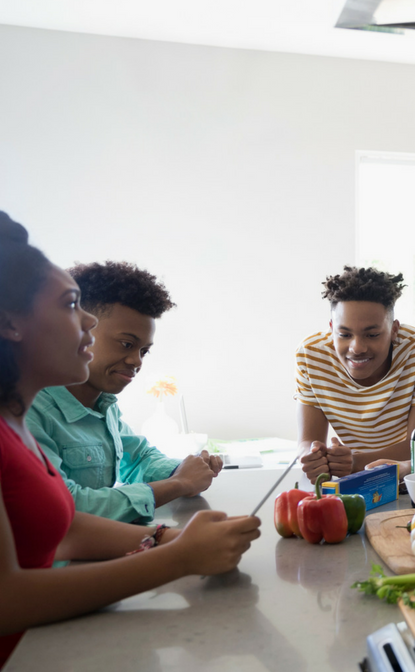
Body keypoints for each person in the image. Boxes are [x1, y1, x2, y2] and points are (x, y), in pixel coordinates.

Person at [0, 212, 260, 666]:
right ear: (10, 324)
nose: (86, 322)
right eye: (69, 305)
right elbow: (7, 599)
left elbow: (66, 527)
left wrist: (166, 536)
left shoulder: (15, 423)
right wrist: (178, 559)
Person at [27, 262, 222, 523]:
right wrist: (177, 484)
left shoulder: (103, 405)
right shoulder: (29, 410)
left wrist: (184, 469)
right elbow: (67, 507)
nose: (137, 361)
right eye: (126, 344)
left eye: (144, 351)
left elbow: (138, 456)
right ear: (77, 330)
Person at [296, 266, 415, 482]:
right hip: (349, 481)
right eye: (344, 334)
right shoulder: (311, 355)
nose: (357, 347)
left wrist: (355, 463)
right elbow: (307, 443)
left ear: (394, 329)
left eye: (372, 334)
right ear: (331, 329)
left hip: (408, 478)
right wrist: (313, 458)